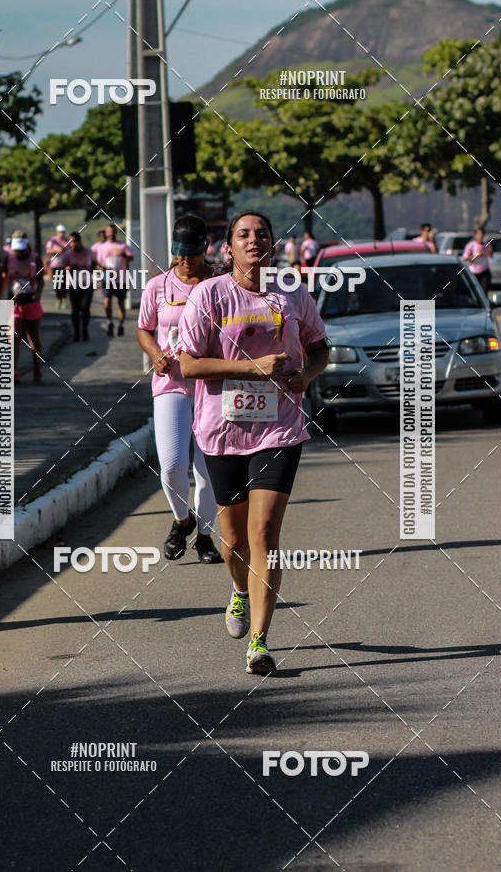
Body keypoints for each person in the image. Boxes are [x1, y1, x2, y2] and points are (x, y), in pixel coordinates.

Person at [178, 210, 330, 674]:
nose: (252, 240)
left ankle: (260, 644)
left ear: (272, 245)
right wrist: (252, 368)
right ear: (228, 248)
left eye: (261, 233)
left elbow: (321, 347)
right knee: (232, 540)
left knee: (264, 535)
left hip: (279, 428)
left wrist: (305, 374)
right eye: (242, 234)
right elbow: (188, 366)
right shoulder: (209, 295)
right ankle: (240, 591)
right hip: (221, 431)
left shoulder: (293, 294)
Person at [137, 214, 223, 564]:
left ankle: (204, 537)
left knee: (208, 470)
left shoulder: (221, 282)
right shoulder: (158, 286)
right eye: (179, 253)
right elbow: (144, 328)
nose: (185, 261)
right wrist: (155, 354)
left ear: (205, 247)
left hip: (212, 385)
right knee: (172, 464)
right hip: (171, 383)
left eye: (192, 253)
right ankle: (181, 520)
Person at [0, 231, 44, 384]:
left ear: (27, 246)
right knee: (14, 338)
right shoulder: (8, 259)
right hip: (15, 302)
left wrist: (37, 295)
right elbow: (4, 278)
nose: (19, 253)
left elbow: (40, 280)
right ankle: (14, 372)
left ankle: (37, 369)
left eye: (21, 250)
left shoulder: (35, 259)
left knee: (33, 337)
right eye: (16, 250)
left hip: (31, 302)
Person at [99, 224, 133, 337]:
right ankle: (110, 322)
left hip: (121, 279)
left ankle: (121, 324)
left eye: (113, 231)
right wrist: (101, 268)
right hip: (107, 278)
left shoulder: (122, 245)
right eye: (109, 231)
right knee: (107, 302)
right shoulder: (102, 247)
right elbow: (99, 262)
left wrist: (124, 255)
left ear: (115, 232)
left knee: (121, 303)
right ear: (106, 233)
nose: (111, 233)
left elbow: (131, 257)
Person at [60, 232, 95, 341]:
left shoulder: (88, 252)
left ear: (80, 241)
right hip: (73, 285)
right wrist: (68, 269)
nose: (72, 244)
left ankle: (84, 330)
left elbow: (94, 264)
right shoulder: (68, 254)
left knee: (85, 308)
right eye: (70, 242)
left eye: (74, 241)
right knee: (75, 310)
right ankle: (76, 333)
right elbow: (62, 268)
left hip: (87, 284)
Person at [45, 224, 70, 308]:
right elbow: (48, 251)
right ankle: (58, 299)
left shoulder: (67, 241)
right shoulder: (52, 241)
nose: (62, 234)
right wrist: (56, 250)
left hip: (64, 265)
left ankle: (64, 299)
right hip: (55, 264)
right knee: (57, 283)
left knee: (65, 283)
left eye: (63, 232)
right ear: (57, 232)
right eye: (60, 232)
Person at [462, 227, 493, 294]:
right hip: (474, 272)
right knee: (474, 292)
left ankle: (485, 303)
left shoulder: (487, 245)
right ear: (475, 235)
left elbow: (490, 255)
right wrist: (475, 256)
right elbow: (465, 258)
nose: (480, 236)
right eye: (478, 234)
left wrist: (484, 253)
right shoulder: (470, 245)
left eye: (482, 234)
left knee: (484, 292)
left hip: (485, 271)